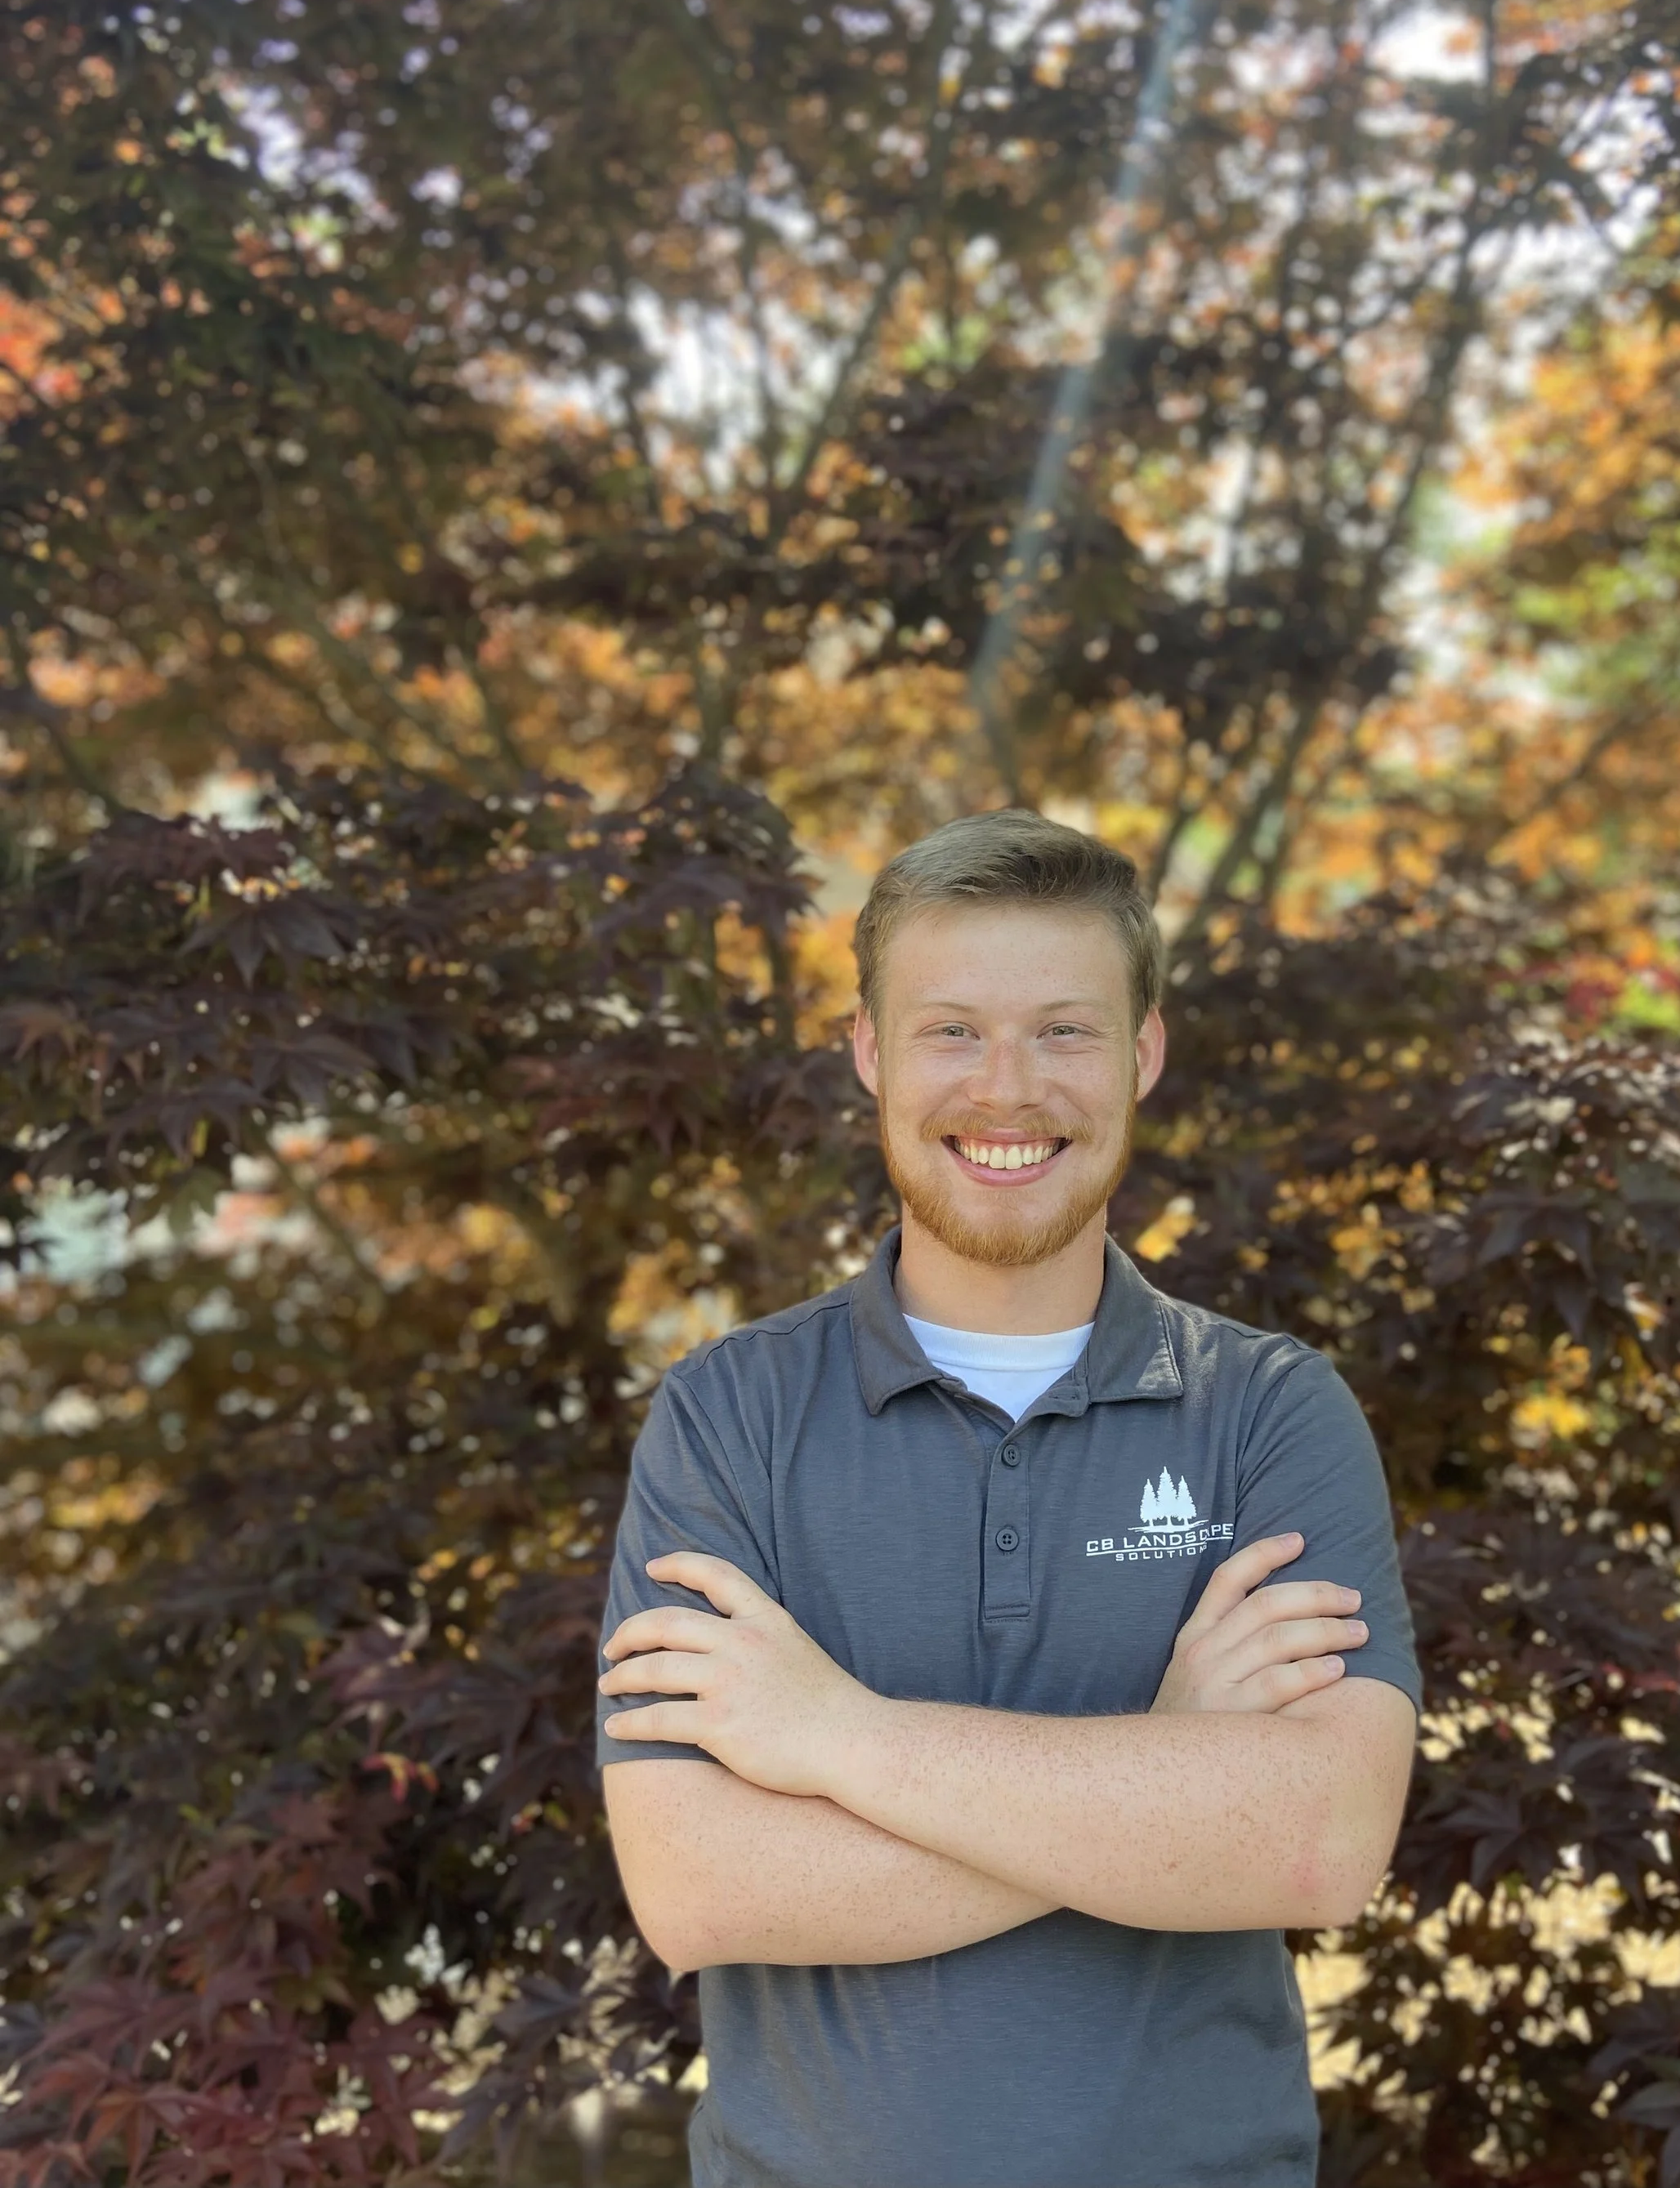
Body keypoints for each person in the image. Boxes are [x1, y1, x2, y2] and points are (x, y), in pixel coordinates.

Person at [596, 809, 1423, 2188]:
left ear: (1143, 1052)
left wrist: (837, 1736)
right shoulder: (729, 1415)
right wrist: (1169, 1765)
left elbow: (1314, 1845)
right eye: (951, 1030)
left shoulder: (1271, 1410)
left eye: (1064, 1029)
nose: (1007, 1085)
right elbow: (700, 1885)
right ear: (869, 1050)